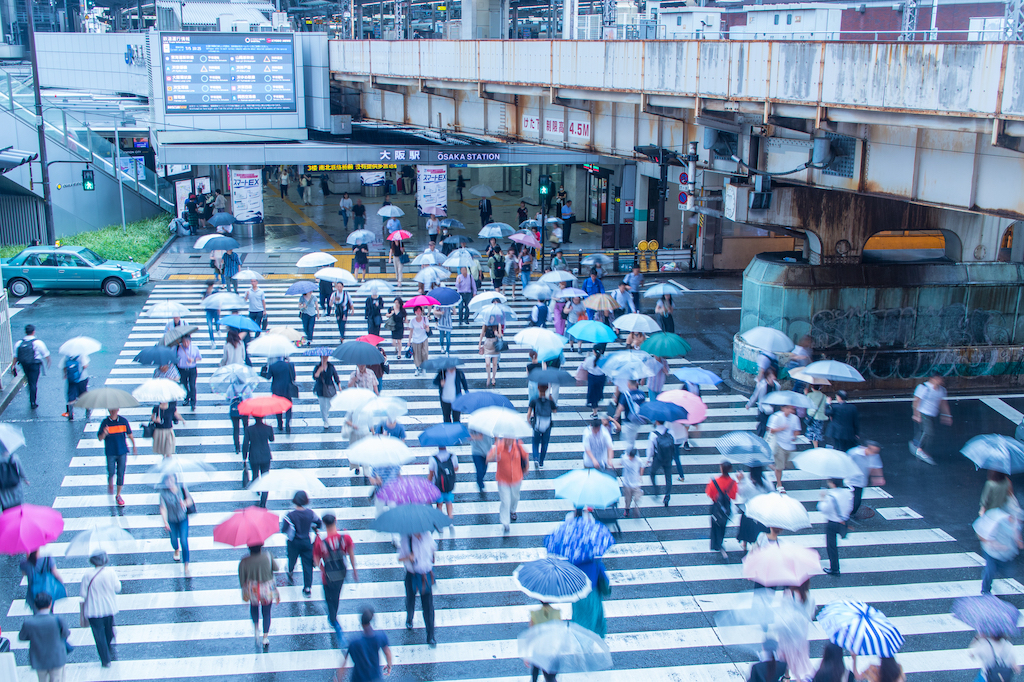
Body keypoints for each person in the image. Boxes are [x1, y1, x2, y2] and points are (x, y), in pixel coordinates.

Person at [80, 550, 120, 668]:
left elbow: (83, 593)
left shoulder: (87, 575)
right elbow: (118, 588)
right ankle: (108, 647)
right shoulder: (110, 572)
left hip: (93, 610)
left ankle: (105, 659)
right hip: (108, 607)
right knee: (108, 631)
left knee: (99, 635)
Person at [19, 592, 69, 682]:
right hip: (56, 657)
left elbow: (22, 637)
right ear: (50, 604)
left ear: (35, 605)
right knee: (57, 679)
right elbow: (65, 634)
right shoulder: (57, 620)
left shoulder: (29, 622)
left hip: (39, 657)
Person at [399, 532, 437, 647]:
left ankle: (430, 635)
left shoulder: (427, 536)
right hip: (412, 575)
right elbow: (400, 558)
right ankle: (409, 618)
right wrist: (408, 557)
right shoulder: (406, 539)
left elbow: (433, 548)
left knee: (428, 607)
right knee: (410, 599)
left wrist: (432, 556)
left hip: (425, 575)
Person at [238, 543, 280, 649]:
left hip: (253, 588)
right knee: (266, 612)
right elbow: (276, 568)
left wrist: (244, 592)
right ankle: (265, 637)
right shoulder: (268, 556)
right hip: (266, 588)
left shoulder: (244, 561)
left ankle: (256, 628)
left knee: (254, 607)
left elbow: (242, 579)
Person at [283, 491, 321, 597]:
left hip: (294, 542)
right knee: (307, 565)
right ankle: (307, 587)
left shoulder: (290, 516)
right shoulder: (310, 513)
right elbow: (319, 523)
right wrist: (313, 527)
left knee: (292, 559)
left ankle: (290, 571)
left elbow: (284, 529)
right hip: (306, 542)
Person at [488, 436, 530, 534]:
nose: (507, 441)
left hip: (516, 478)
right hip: (502, 479)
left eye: (509, 438)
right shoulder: (499, 446)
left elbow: (525, 456)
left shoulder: (519, 444)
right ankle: (505, 522)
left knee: (515, 497)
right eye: (506, 438)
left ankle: (512, 510)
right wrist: (494, 454)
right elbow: (488, 458)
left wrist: (526, 468)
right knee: (505, 500)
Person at [977, 506, 1023, 594]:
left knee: (1007, 571)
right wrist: (999, 546)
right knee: (990, 570)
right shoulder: (997, 521)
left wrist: (1019, 543)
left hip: (1005, 554)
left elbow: (1017, 535)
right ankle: (985, 590)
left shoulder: (1015, 523)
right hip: (990, 551)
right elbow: (984, 536)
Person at [340, 607, 392, 682]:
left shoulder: (354, 642)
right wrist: (389, 665)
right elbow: (387, 653)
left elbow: (343, 665)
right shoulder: (380, 636)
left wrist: (339, 679)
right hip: (375, 677)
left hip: (358, 678)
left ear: (361, 623)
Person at [776, 583, 815, 681]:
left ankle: (787, 676)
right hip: (801, 634)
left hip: (787, 634)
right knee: (800, 659)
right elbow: (810, 616)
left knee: (786, 656)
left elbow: (783, 615)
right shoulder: (809, 597)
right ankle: (798, 678)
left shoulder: (789, 595)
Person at [911, 373, 952, 465]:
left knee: (924, 431)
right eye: (937, 379)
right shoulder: (923, 388)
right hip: (923, 413)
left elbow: (943, 403)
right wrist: (916, 414)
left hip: (932, 414)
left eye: (940, 379)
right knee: (928, 432)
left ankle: (916, 444)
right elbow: (916, 400)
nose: (940, 381)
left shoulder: (941, 390)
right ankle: (920, 449)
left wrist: (947, 415)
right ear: (932, 378)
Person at [98, 408, 136, 507]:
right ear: (109, 410)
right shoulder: (105, 423)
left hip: (122, 451)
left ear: (118, 410)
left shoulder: (123, 421)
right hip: (110, 452)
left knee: (121, 473)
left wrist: (134, 446)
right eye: (111, 409)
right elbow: (99, 438)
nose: (113, 411)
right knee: (111, 471)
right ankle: (110, 482)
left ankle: (118, 495)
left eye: (115, 409)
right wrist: (104, 433)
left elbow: (129, 434)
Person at [158, 473, 192, 575]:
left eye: (172, 480)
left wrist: (184, 503)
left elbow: (189, 500)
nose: (170, 483)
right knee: (173, 540)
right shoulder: (163, 493)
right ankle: (176, 549)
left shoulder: (181, 488)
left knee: (184, 541)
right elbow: (163, 508)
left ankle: (186, 565)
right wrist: (165, 521)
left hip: (183, 519)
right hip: (171, 520)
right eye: (168, 481)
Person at [818, 478, 854, 576]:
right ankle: (834, 568)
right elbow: (850, 507)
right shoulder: (848, 493)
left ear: (833, 483)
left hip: (832, 523)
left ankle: (834, 568)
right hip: (843, 522)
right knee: (834, 544)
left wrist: (822, 499)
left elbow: (824, 509)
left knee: (831, 546)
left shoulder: (831, 496)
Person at [736, 465, 773, 552]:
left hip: (749, 510)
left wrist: (740, 480)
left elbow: (740, 492)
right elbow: (772, 490)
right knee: (760, 529)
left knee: (745, 528)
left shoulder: (749, 484)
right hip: (761, 510)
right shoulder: (764, 483)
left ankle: (744, 544)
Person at [13, 324, 50, 410]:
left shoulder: (19, 343)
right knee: (33, 382)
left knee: (29, 381)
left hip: (24, 364)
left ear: (25, 332)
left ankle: (31, 395)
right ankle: (33, 401)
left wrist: (13, 366)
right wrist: (48, 362)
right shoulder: (37, 342)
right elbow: (46, 354)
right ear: (33, 331)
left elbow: (15, 356)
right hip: (34, 364)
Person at [570, 554, 609, 637]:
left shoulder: (573, 564)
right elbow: (605, 584)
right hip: (592, 596)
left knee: (579, 620)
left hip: (578, 596)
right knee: (593, 622)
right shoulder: (596, 563)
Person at [706, 460, 738, 559]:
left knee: (715, 524)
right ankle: (720, 541)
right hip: (726, 507)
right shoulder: (733, 483)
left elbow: (709, 493)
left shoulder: (714, 481)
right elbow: (733, 496)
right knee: (723, 525)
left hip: (716, 506)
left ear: (721, 468)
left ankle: (716, 544)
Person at [767, 403, 801, 490]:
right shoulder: (776, 417)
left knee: (783, 465)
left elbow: (797, 430)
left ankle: (774, 466)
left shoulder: (795, 418)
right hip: (779, 444)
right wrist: (781, 428)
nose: (790, 410)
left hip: (789, 445)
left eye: (791, 408)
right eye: (788, 408)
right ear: (783, 408)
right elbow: (771, 430)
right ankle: (779, 484)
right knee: (780, 467)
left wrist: (794, 436)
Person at [243, 416, 274, 506]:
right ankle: (263, 501)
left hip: (254, 455)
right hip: (265, 455)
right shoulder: (268, 428)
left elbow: (245, 443)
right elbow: (272, 439)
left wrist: (244, 457)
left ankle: (257, 489)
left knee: (255, 473)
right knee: (265, 477)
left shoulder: (249, 429)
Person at [848, 441, 883, 517]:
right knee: (854, 499)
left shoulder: (874, 455)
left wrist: (878, 478)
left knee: (857, 500)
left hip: (862, 481)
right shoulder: (854, 453)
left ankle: (850, 513)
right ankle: (848, 514)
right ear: (868, 448)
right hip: (851, 480)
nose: (875, 453)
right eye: (874, 451)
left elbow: (876, 466)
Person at [646, 421, 677, 507]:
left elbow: (650, 449)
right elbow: (674, 444)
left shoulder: (653, 434)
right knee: (668, 478)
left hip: (658, 458)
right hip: (668, 458)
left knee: (652, 473)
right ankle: (667, 497)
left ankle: (656, 491)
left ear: (656, 421)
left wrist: (648, 459)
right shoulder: (671, 431)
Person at [613, 379, 647, 453]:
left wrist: (615, 417)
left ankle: (631, 457)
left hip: (629, 420)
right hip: (638, 419)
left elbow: (620, 408)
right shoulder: (642, 393)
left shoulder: (626, 394)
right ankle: (631, 455)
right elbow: (644, 405)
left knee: (628, 441)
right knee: (632, 438)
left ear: (628, 384)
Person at [528, 384, 557, 468]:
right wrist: (552, 401)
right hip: (547, 425)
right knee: (545, 443)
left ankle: (536, 458)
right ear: (547, 388)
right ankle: (541, 461)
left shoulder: (534, 400)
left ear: (538, 388)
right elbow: (554, 411)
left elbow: (529, 414)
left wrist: (529, 421)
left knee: (535, 442)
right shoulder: (550, 401)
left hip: (537, 424)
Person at [429, 446, 459, 520]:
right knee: (449, 502)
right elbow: (456, 468)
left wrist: (428, 484)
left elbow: (431, 473)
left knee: (439, 504)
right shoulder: (453, 456)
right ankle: (450, 518)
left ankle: (440, 521)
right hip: (449, 483)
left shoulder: (433, 458)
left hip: (438, 484)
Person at [268, 356, 297, 433]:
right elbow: (293, 378)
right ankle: (287, 422)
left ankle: (280, 424)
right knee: (288, 406)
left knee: (278, 407)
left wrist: (264, 369)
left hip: (276, 389)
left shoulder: (272, 366)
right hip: (287, 389)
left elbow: (268, 377)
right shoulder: (290, 365)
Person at [313, 355, 341, 431]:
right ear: (320, 358)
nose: (324, 359)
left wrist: (339, 386)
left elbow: (335, 376)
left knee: (329, 404)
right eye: (323, 357)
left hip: (329, 388)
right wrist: (319, 371)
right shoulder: (317, 367)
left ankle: (326, 413)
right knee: (322, 406)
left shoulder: (331, 366)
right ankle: (325, 420)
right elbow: (314, 377)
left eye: (326, 357)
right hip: (320, 388)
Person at [0, 443, 28, 511]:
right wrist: (25, 479)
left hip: (3, 487)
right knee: (18, 506)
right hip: (15, 484)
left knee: (6, 506)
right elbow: (20, 469)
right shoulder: (14, 457)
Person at [176, 335, 201, 411]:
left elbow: (199, 358)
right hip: (182, 369)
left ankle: (193, 403)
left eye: (187, 341)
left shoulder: (194, 348)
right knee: (184, 384)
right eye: (184, 342)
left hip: (192, 369)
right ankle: (188, 395)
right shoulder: (178, 348)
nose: (185, 343)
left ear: (190, 341)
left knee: (192, 385)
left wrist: (193, 360)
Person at [804, 382, 828, 447]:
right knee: (818, 431)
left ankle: (815, 447)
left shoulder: (809, 395)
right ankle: (817, 445)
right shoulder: (824, 396)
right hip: (821, 416)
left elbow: (805, 402)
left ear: (812, 387)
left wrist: (805, 394)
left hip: (812, 416)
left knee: (813, 433)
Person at [408, 306, 431, 375]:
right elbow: (411, 331)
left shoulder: (425, 319)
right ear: (414, 312)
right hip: (416, 340)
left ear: (421, 311)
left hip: (424, 338)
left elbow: (428, 330)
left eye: (419, 311)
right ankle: (417, 368)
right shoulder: (412, 321)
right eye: (416, 311)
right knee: (416, 355)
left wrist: (425, 326)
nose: (418, 312)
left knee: (424, 353)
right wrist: (409, 341)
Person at [469, 429, 493, 494]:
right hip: (476, 451)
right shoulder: (473, 424)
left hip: (487, 450)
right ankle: (480, 484)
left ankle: (480, 480)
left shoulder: (490, 423)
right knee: (479, 470)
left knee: (484, 469)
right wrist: (477, 437)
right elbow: (468, 436)